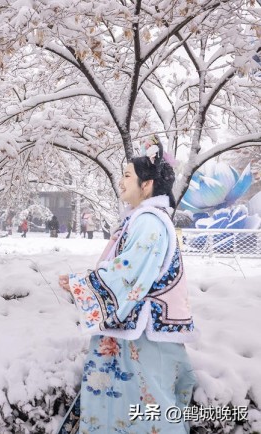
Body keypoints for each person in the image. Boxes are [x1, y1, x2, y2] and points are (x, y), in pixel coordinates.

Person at [57, 135, 197, 434]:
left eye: (127, 175)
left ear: (146, 185)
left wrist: (83, 284)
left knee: (147, 413)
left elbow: (130, 272)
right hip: (136, 331)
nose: (121, 182)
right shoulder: (142, 219)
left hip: (142, 337)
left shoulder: (148, 221)